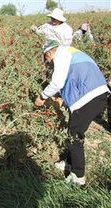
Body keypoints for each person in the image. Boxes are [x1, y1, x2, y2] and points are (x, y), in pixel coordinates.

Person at [34, 40, 109, 185]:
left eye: (46, 58)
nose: (48, 62)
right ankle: (68, 163)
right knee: (73, 131)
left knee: (75, 136)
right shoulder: (71, 52)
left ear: (49, 52)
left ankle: (78, 177)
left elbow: (57, 83)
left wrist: (42, 97)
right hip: (97, 94)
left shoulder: (61, 56)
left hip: (88, 97)